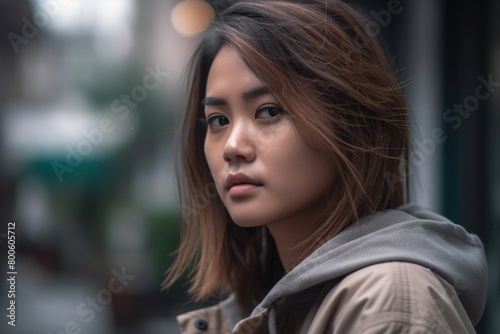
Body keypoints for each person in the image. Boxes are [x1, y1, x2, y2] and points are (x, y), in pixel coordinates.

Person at [163, 0, 488, 333]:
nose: (232, 147)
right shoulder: (271, 305)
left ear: (351, 122)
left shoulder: (387, 306)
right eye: (218, 120)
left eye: (269, 111)